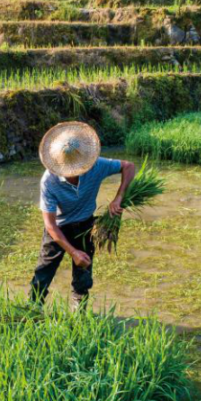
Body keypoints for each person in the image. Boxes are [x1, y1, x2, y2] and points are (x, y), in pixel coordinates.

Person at [30, 121, 136, 310]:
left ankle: (79, 309)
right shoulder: (49, 181)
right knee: (44, 270)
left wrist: (118, 197)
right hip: (59, 229)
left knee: (83, 273)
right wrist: (73, 252)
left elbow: (129, 166)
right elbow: (50, 225)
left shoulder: (96, 166)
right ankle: (33, 307)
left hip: (86, 225)